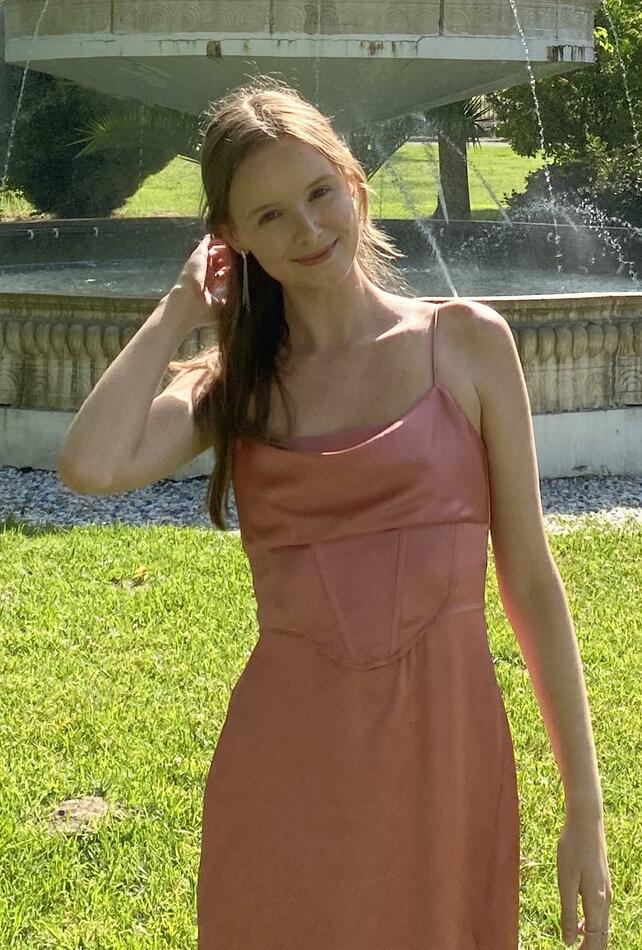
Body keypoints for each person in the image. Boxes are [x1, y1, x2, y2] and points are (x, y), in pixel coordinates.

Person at [58, 77, 612, 949]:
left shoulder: (468, 343)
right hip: (289, 769)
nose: (308, 229)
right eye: (269, 215)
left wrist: (584, 807)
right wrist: (180, 310)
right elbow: (89, 465)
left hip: (447, 756)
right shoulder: (234, 388)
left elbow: (532, 584)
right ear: (232, 238)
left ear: (354, 181)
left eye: (319, 193)